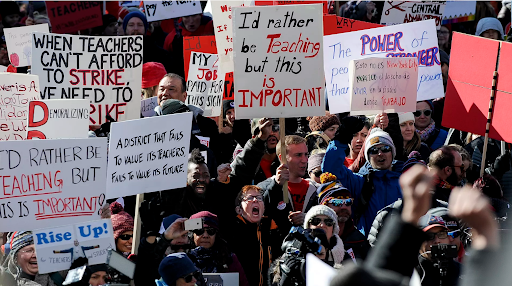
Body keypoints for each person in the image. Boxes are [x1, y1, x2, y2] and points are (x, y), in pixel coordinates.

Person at [323, 117, 403, 237]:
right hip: (369, 248)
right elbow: (331, 169)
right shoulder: (360, 181)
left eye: (385, 149)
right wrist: (340, 140)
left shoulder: (406, 181)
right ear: (367, 156)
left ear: (393, 153)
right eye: (374, 150)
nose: (380, 153)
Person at [225, 185, 283, 286]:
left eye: (259, 198)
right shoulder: (232, 228)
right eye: (250, 198)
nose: (255, 200)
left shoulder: (271, 227)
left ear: (264, 208)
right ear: (239, 209)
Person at [258, 135, 317, 231]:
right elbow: (258, 213)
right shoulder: (264, 187)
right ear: (282, 158)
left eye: (306, 154)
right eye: (298, 155)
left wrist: (309, 218)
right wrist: (276, 187)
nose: (305, 160)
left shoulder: (316, 189)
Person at [315, 173, 370, 262]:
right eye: (337, 202)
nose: (344, 207)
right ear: (324, 206)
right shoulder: (311, 239)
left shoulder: (359, 241)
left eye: (348, 202)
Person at [187, 211, 249, 286]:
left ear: (216, 235)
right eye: (200, 231)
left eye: (211, 231)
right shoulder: (183, 258)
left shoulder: (229, 259)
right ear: (192, 235)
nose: (205, 235)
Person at [416, 210, 462, 286]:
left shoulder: (462, 271)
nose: (437, 241)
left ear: (449, 238)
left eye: (442, 234)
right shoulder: (410, 272)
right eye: (429, 236)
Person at [250, 118, 281, 185]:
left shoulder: (288, 161)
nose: (271, 133)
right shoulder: (248, 166)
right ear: (254, 137)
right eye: (263, 130)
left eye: (274, 128)